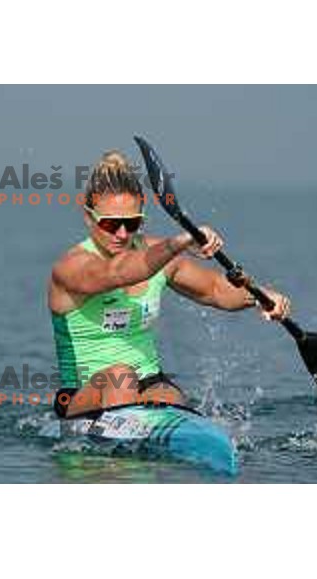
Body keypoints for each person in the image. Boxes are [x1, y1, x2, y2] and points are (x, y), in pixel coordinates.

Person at [48, 150, 291, 419]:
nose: (121, 234)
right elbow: (117, 273)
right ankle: (118, 452)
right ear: (88, 216)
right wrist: (182, 242)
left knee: (171, 397)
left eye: (132, 224)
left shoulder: (157, 256)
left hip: (149, 382)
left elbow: (215, 289)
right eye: (110, 223)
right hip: (83, 395)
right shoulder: (71, 267)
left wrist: (259, 296)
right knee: (121, 376)